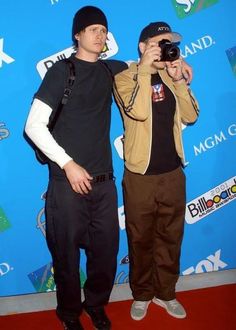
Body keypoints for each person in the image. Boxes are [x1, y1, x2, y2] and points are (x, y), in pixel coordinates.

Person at [25, 6, 127, 330]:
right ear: (78, 35)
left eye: (103, 30)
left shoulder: (113, 71)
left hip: (105, 184)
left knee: (106, 254)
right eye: (92, 29)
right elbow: (33, 126)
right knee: (66, 258)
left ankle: (95, 305)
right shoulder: (61, 72)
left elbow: (147, 70)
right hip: (66, 184)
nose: (99, 35)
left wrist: (174, 68)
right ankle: (69, 314)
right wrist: (68, 164)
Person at [113, 21, 199, 321]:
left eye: (169, 43)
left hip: (173, 173)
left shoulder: (172, 74)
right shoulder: (124, 78)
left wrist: (178, 80)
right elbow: (137, 110)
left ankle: (166, 292)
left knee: (171, 236)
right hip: (139, 177)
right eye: (159, 42)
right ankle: (142, 294)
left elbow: (191, 115)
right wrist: (147, 70)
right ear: (143, 46)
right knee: (140, 239)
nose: (166, 48)